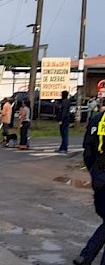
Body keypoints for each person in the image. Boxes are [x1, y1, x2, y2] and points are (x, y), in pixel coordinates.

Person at [73, 108, 105, 265]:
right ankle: (86, 256)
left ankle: (85, 257)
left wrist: (93, 170)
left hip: (99, 174)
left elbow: (88, 149)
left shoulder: (97, 119)